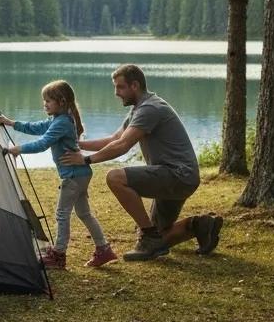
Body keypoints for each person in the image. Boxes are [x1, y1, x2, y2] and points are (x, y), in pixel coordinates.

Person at [60, 63, 223, 262]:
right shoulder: (140, 108)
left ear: (135, 85)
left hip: (177, 175)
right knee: (160, 234)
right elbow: (114, 138)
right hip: (177, 176)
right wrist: (77, 144)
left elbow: (122, 145)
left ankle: (149, 236)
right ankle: (200, 225)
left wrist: (85, 160)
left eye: (120, 87)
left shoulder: (150, 109)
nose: (116, 93)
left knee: (115, 178)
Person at [0, 80, 117, 269]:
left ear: (61, 101)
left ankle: (58, 254)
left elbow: (43, 143)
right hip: (80, 174)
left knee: (62, 214)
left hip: (73, 176)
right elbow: (36, 127)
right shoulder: (60, 119)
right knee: (84, 213)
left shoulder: (62, 123)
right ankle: (104, 249)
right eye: (44, 101)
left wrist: (17, 149)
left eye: (48, 101)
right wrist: (10, 123)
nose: (45, 104)